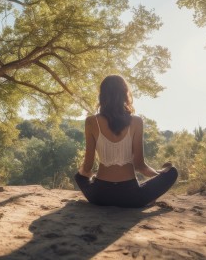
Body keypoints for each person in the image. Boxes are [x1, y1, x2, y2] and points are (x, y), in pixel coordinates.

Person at [75, 75, 178, 208]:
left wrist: (85, 175)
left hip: (99, 196)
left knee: (78, 176)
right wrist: (160, 176)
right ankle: (163, 171)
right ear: (125, 94)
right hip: (131, 197)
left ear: (102, 95)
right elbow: (140, 166)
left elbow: (87, 167)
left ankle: (94, 180)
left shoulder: (91, 121)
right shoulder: (136, 121)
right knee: (172, 172)